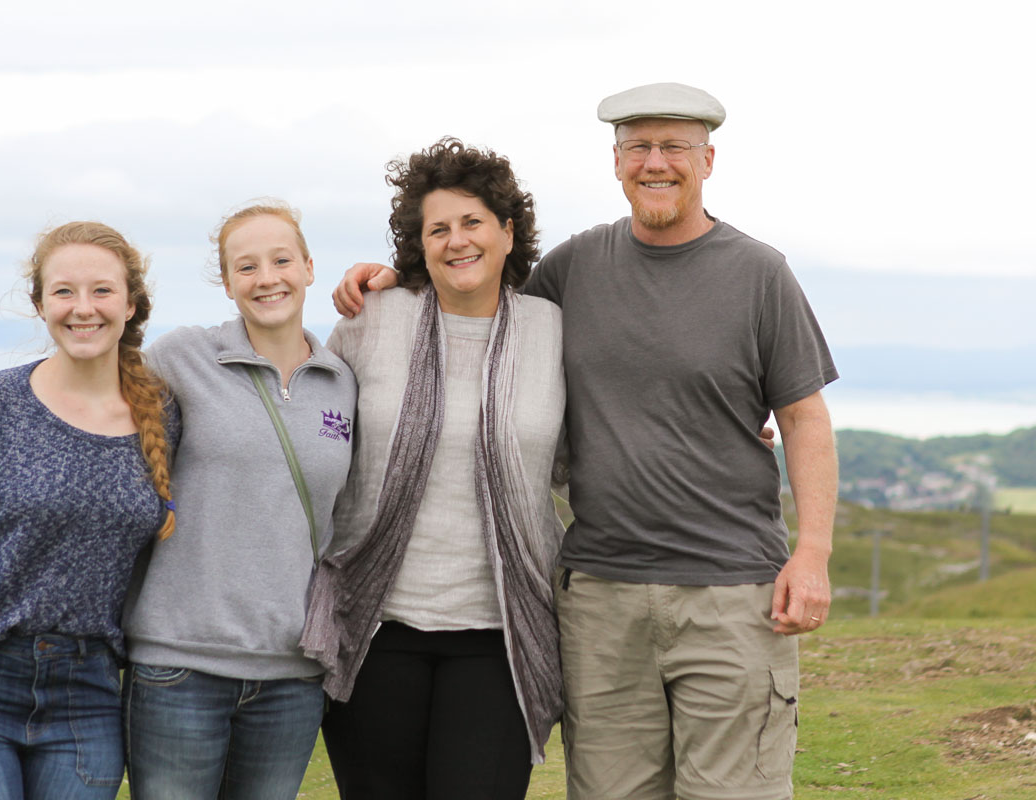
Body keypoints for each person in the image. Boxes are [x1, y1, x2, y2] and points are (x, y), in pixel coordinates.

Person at [333, 83, 839, 800]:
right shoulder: (574, 271)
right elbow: (477, 299)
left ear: (708, 160)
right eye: (639, 147)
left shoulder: (759, 273)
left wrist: (812, 552)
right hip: (602, 595)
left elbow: (804, 416)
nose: (655, 163)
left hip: (730, 592)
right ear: (616, 160)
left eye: (674, 148)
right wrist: (395, 276)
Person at [0, 202, 358, 800]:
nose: (268, 278)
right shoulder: (182, 358)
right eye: (247, 266)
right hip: (177, 666)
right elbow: (84, 381)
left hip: (292, 672)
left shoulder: (342, 379)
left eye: (282, 260)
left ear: (310, 268)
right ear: (227, 280)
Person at [300, 137, 566, 799]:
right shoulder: (372, 319)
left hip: (500, 631)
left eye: (473, 222)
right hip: (376, 624)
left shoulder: (553, 329)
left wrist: (730, 431)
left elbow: (604, 438)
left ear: (508, 232)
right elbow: (309, 432)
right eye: (437, 229)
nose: (457, 241)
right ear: (419, 246)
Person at [0, 221, 179, 800]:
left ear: (132, 303)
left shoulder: (165, 415)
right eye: (64, 291)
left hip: (88, 698)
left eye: (102, 291)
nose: (82, 308)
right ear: (39, 304)